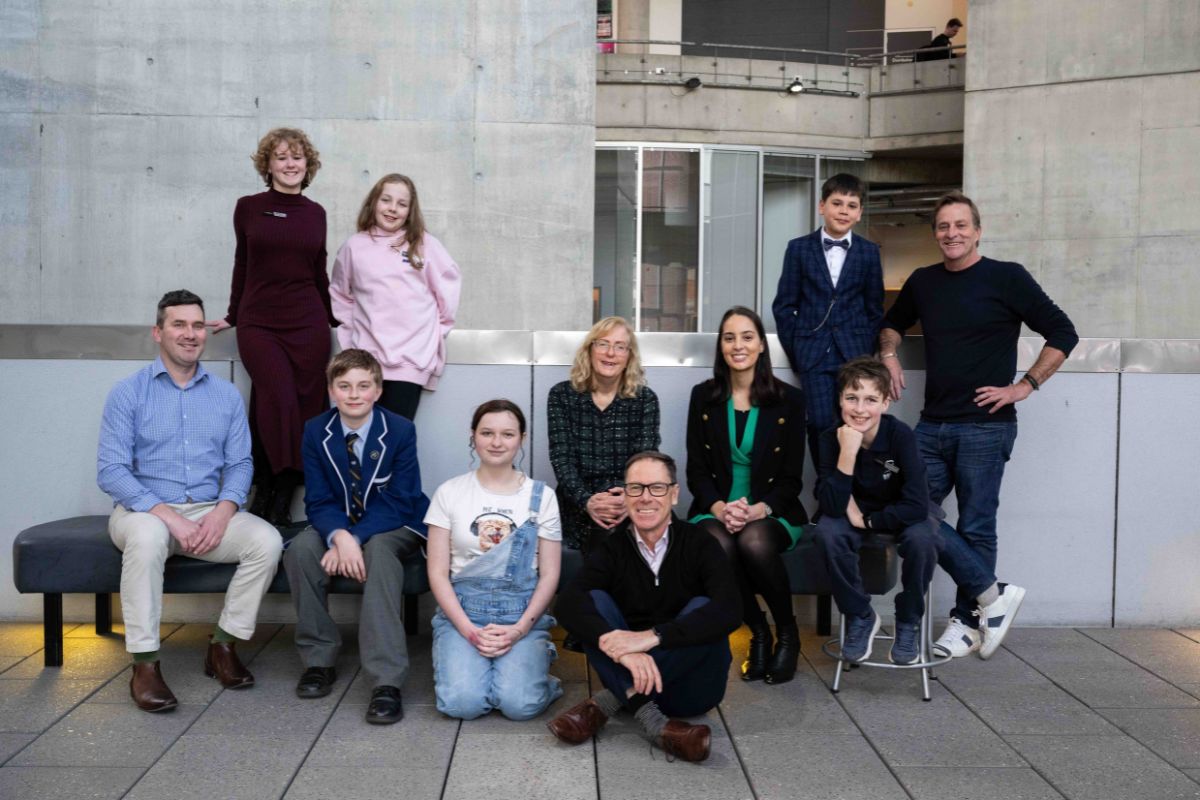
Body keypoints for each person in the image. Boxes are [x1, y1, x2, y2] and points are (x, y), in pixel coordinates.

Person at [880, 191, 1078, 660]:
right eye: (944, 227)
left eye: (961, 225)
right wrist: (888, 353)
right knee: (910, 510)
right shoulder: (924, 281)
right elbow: (891, 324)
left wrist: (1024, 385)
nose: (952, 234)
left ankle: (967, 623)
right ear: (936, 234)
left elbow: (1064, 332)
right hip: (932, 425)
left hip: (986, 426)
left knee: (977, 525)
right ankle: (993, 595)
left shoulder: (1006, 278)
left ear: (978, 230)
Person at [97, 290, 282, 713]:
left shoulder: (226, 396)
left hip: (206, 511)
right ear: (157, 332)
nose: (190, 334)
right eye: (179, 325)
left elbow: (239, 464)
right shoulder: (128, 393)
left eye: (198, 325)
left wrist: (224, 511)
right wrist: (167, 516)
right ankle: (144, 665)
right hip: (142, 511)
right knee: (146, 538)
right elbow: (111, 470)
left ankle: (223, 645)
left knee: (267, 542)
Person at [550, 452, 740, 763]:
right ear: (624, 496)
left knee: (705, 607)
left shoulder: (700, 542)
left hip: (693, 690)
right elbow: (569, 603)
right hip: (630, 671)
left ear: (674, 494)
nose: (645, 498)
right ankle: (657, 724)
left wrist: (653, 637)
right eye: (635, 488)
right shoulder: (613, 547)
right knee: (592, 603)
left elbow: (731, 608)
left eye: (657, 488)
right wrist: (624, 651)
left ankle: (606, 702)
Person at [283, 349, 430, 724]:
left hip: (395, 523)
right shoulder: (317, 430)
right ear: (332, 390)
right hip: (339, 520)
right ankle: (319, 658)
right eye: (344, 385)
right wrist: (338, 535)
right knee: (300, 549)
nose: (353, 394)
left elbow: (402, 498)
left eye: (363, 386)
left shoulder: (399, 429)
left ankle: (386, 681)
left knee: (380, 551)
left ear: (378, 390)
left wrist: (354, 537)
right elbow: (318, 498)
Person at [207, 127, 337, 526]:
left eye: (297, 157)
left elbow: (318, 272)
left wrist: (335, 320)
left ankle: (279, 494)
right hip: (259, 321)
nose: (290, 163)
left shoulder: (316, 213)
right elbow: (241, 263)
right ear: (268, 165)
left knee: (305, 407)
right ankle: (268, 484)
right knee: (275, 398)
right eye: (281, 157)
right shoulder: (248, 207)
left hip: (308, 324)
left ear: (307, 164)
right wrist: (233, 314)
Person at [685, 306, 808, 685]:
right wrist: (721, 508)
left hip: (772, 509)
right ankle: (757, 631)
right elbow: (696, 471)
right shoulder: (703, 397)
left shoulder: (789, 400)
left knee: (753, 541)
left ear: (760, 346)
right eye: (729, 337)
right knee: (717, 544)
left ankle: (787, 632)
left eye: (747, 336)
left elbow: (791, 478)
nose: (738, 345)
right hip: (715, 507)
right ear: (721, 347)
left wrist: (758, 510)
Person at [424, 400, 564, 721]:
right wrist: (468, 630)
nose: (497, 442)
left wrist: (518, 630)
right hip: (462, 614)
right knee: (461, 704)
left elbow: (550, 574)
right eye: (487, 433)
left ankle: (539, 669)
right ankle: (485, 669)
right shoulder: (450, 492)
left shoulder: (542, 497)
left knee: (519, 706)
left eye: (507, 434)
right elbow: (437, 573)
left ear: (522, 439)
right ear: (473, 436)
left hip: (521, 614)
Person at [812, 358, 940, 665]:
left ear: (885, 402)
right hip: (850, 513)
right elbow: (829, 503)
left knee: (924, 540)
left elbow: (917, 503)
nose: (859, 409)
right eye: (851, 398)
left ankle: (908, 619)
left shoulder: (900, 436)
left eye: (870, 400)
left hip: (899, 513)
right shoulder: (831, 437)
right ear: (839, 400)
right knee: (827, 533)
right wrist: (848, 451)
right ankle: (860, 615)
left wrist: (869, 520)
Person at [772, 173, 883, 473]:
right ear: (822, 206)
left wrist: (865, 352)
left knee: (855, 422)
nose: (843, 210)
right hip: (813, 354)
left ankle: (853, 494)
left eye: (851, 205)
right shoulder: (798, 249)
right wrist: (797, 350)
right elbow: (784, 306)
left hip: (854, 355)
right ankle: (828, 492)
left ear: (859, 213)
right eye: (837, 203)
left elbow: (875, 309)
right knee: (821, 422)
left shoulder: (869, 252)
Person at [330, 173, 462, 421]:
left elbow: (448, 288)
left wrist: (435, 333)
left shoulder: (425, 245)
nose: (392, 209)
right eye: (386, 200)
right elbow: (339, 293)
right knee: (364, 440)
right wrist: (350, 338)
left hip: (410, 362)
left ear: (411, 210)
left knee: (396, 438)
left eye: (402, 204)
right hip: (366, 362)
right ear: (373, 203)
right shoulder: (354, 246)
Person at [547, 316, 661, 555]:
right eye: (603, 344)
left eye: (620, 346)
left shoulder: (645, 400)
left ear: (629, 356)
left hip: (630, 501)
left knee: (617, 529)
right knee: (610, 533)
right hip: (577, 504)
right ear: (589, 350)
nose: (611, 353)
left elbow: (645, 461)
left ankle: (598, 591)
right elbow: (562, 459)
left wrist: (626, 498)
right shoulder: (561, 396)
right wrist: (588, 501)